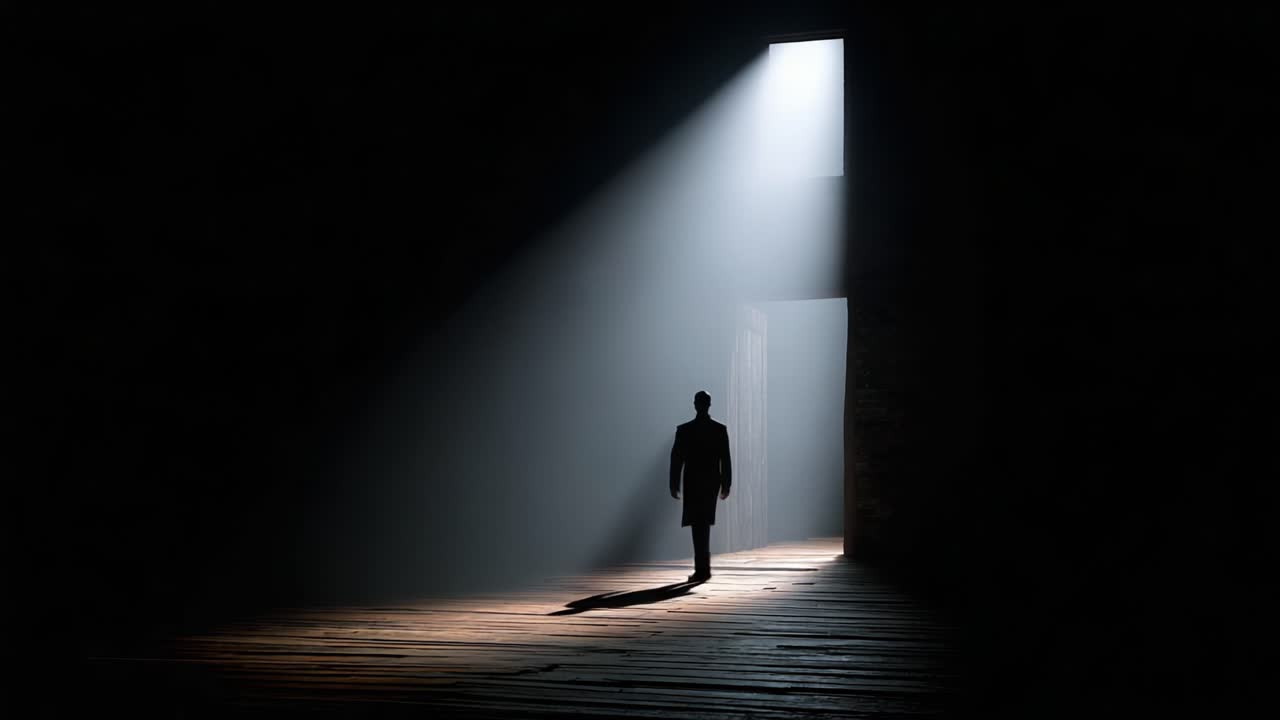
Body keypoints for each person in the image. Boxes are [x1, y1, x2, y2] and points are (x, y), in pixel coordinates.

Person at [669, 390, 731, 582]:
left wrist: (674, 484)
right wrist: (726, 483)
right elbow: (725, 459)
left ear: (695, 404)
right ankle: (703, 568)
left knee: (698, 524)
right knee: (703, 523)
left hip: (694, 481)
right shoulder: (719, 429)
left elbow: (676, 460)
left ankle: (702, 568)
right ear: (709, 404)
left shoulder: (685, 430)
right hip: (710, 481)